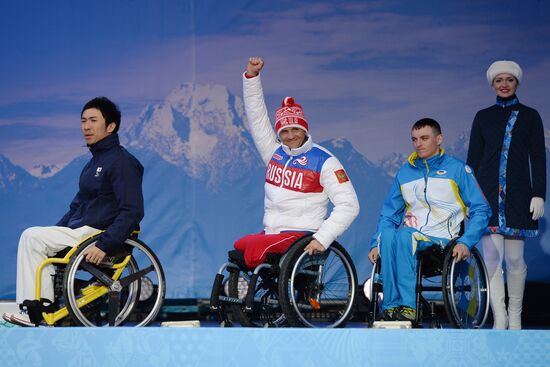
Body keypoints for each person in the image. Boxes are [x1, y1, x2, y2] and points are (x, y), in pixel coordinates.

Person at [2, 97, 144, 327]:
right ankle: (35, 307)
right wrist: (55, 231)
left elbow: (133, 210)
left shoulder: (122, 162)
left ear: (111, 126)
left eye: (93, 120)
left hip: (99, 235)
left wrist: (105, 244)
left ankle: (38, 310)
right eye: (83, 121)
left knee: (32, 236)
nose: (86, 126)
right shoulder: (92, 164)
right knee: (38, 237)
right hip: (82, 231)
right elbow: (76, 208)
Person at [234, 57, 360, 268]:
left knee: (254, 248)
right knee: (240, 246)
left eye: (295, 130)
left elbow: (349, 205)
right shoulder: (274, 153)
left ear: (305, 129)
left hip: (301, 234)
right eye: (284, 131)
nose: (290, 136)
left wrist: (323, 237)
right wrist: (252, 77)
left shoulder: (324, 161)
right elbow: (257, 119)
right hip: (272, 232)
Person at [368, 118, 491, 322]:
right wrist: (376, 243)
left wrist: (466, 241)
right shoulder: (404, 173)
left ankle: (408, 307)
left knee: (405, 235)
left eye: (424, 138)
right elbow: (389, 215)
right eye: (414, 139)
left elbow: (481, 209)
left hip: (442, 241)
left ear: (439, 139)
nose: (418, 144)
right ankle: (390, 307)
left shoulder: (458, 170)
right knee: (388, 235)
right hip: (409, 238)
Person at [467, 61, 546, 329]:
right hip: (487, 196)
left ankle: (515, 315)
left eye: (509, 80)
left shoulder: (530, 115)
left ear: (517, 83)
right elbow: (472, 161)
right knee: (491, 257)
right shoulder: (482, 116)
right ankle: (498, 315)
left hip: (518, 196)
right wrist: (471, 197)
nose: (503, 84)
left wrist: (539, 194)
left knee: (514, 258)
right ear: (492, 84)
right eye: (498, 79)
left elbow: (538, 156)